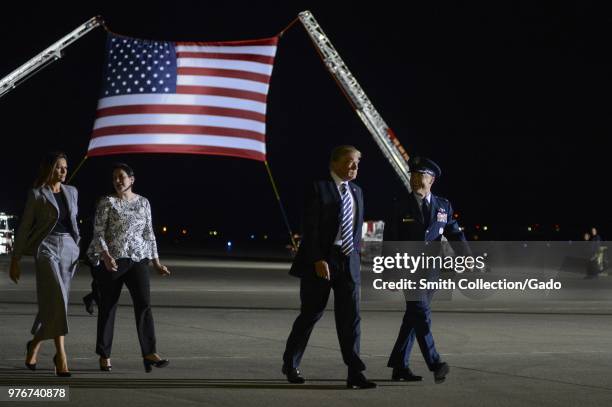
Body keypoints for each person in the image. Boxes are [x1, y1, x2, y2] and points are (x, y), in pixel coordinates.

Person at [282, 145, 376, 389]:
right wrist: (316, 259)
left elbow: (355, 230)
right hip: (321, 261)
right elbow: (310, 228)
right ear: (334, 163)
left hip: (348, 261)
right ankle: (291, 364)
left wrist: (354, 256)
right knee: (311, 313)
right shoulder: (318, 188)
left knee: (351, 318)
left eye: (357, 162)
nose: (355, 167)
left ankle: (355, 372)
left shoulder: (357, 191)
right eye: (350, 161)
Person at [383, 156, 469, 384]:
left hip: (432, 273)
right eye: (412, 174)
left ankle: (400, 366)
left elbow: (455, 233)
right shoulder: (399, 205)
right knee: (421, 315)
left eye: (419, 174)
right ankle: (435, 363)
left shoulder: (443, 206)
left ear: (431, 180)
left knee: (413, 318)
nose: (413, 178)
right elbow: (389, 241)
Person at [87, 163, 170, 373]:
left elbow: (149, 233)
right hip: (114, 261)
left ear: (132, 179)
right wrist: (105, 256)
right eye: (114, 177)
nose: (117, 181)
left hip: (138, 259)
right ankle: (104, 355)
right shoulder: (107, 202)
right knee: (108, 307)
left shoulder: (144, 203)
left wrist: (156, 262)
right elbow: (98, 233)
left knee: (144, 305)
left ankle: (149, 352)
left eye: (121, 177)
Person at [9, 152, 80, 377]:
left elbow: (73, 223)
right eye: (59, 167)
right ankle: (61, 355)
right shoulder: (37, 194)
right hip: (46, 248)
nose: (64, 171)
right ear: (50, 169)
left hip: (69, 249)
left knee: (54, 304)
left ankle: (35, 344)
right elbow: (25, 226)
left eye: (66, 168)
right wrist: (15, 258)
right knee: (58, 299)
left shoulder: (72, 192)